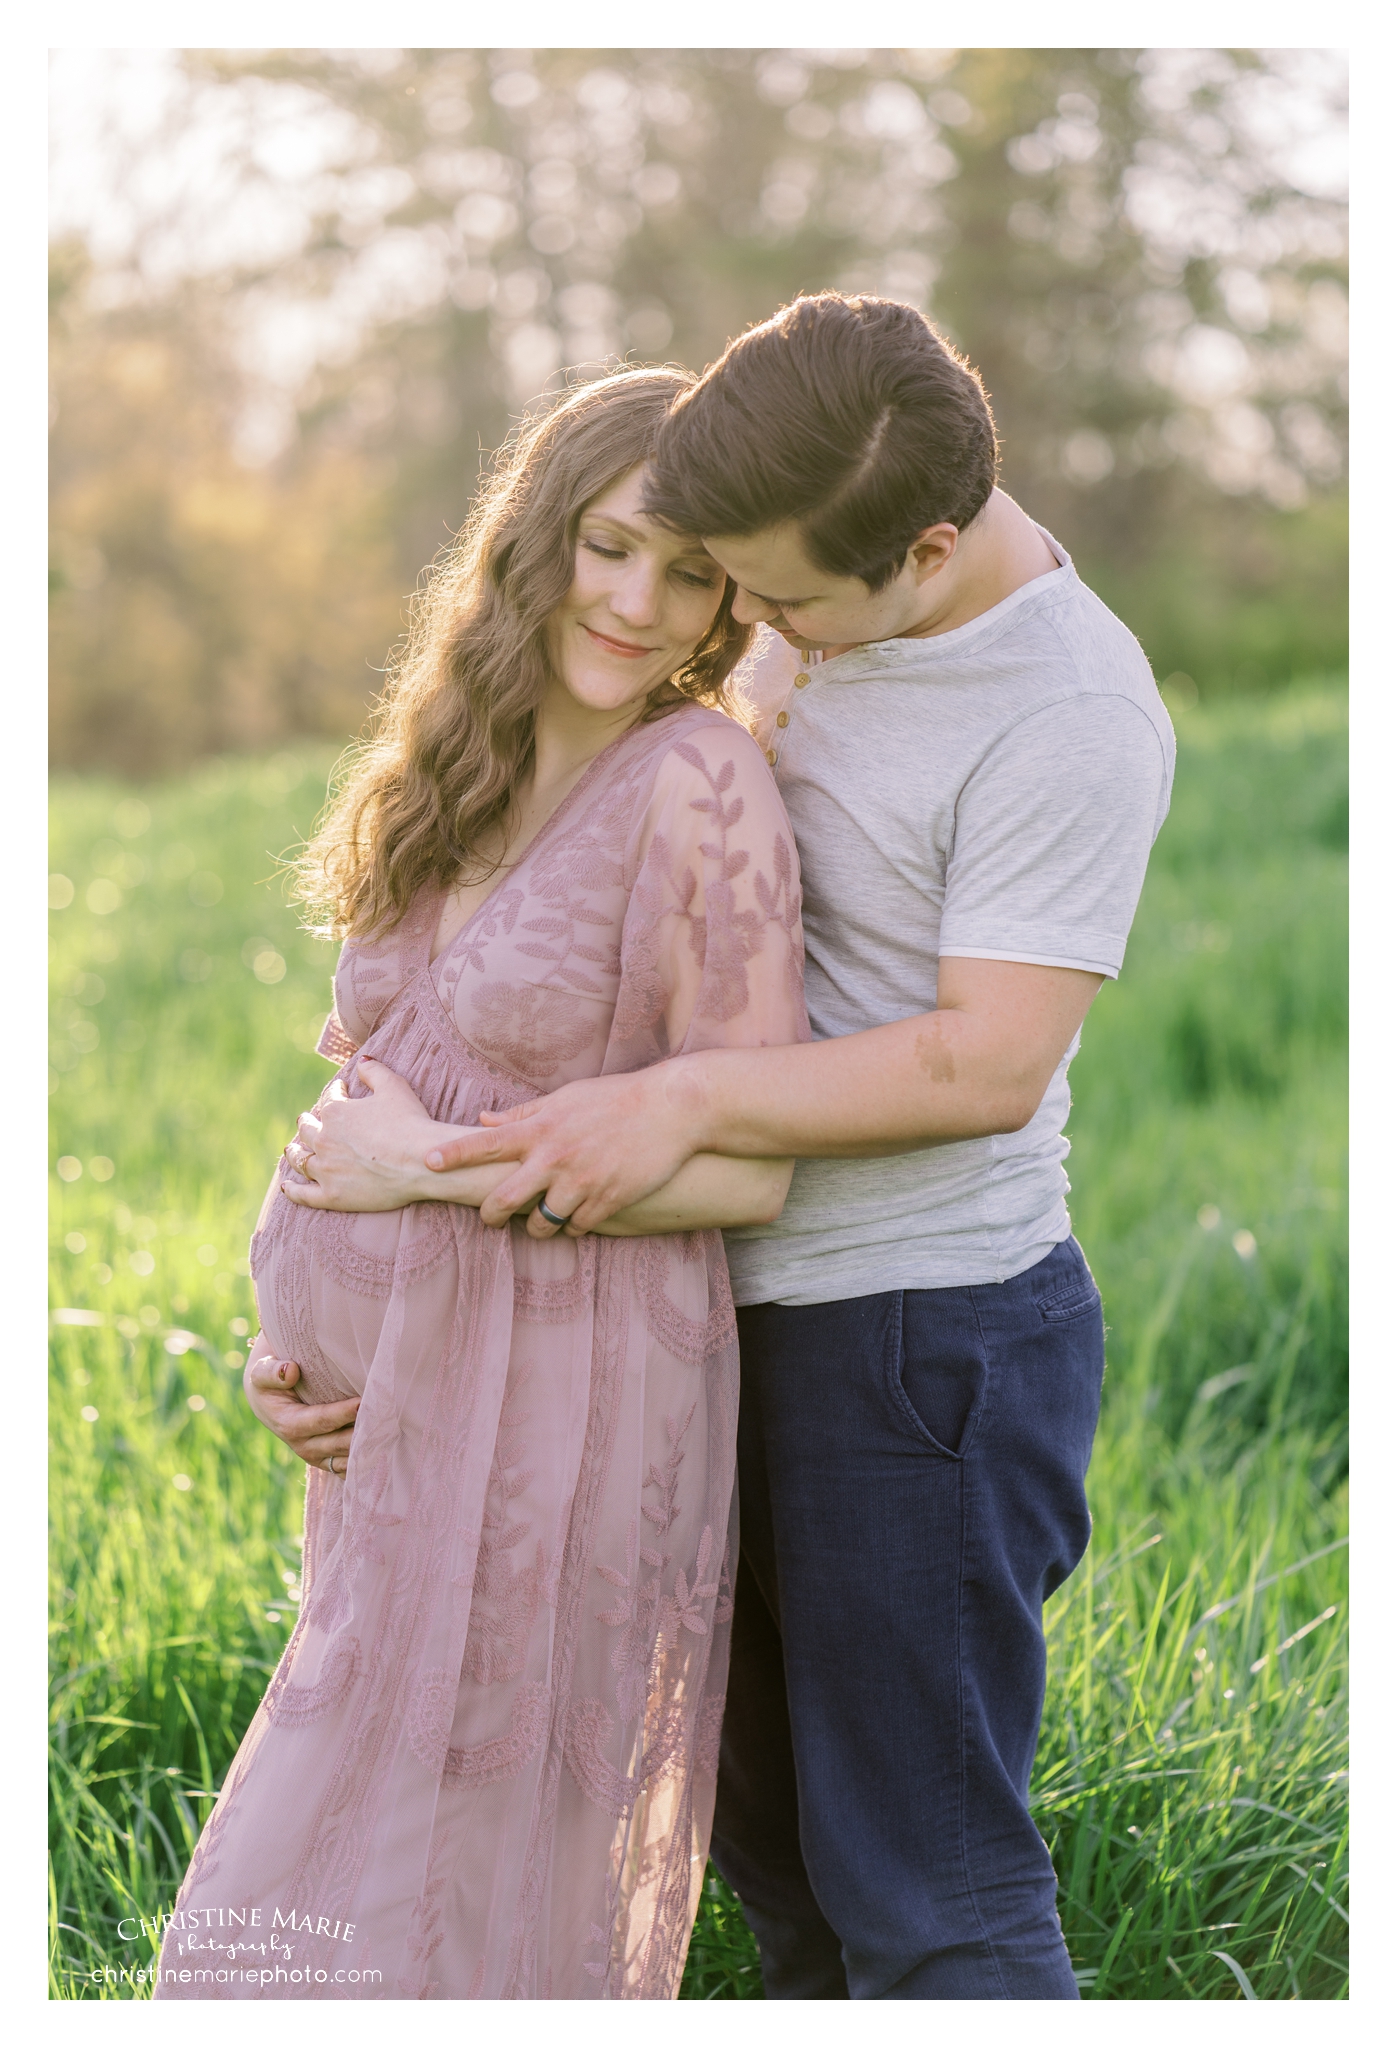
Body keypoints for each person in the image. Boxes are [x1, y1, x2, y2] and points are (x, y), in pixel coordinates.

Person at [410, 295, 1178, 1999]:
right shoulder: (816, 571)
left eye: (779, 599)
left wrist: (678, 1103)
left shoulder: (1066, 713)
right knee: (769, 1863)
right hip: (706, 1307)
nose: (744, 628)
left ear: (922, 549)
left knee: (929, 1891)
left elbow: (987, 1061)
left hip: (913, 1348)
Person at [155, 367, 810, 2002]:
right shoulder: (449, 758)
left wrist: (427, 1176)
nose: (640, 604)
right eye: (608, 547)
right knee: (383, 1866)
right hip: (389, 1422)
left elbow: (750, 1165)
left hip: (565, 1402)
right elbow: (361, 1095)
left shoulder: (697, 783)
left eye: (689, 574)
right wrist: (297, 1345)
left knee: (435, 1868)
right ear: (536, 537)